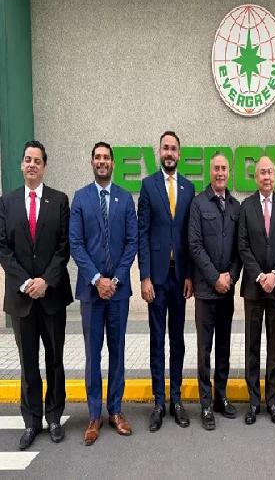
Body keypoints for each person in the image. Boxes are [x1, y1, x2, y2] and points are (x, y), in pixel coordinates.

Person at [0, 140, 72, 450]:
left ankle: (54, 417)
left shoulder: (59, 200)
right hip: (21, 300)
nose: (32, 165)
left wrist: (45, 281)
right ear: (22, 165)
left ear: (44, 166)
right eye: (27, 160)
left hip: (52, 297)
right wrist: (25, 282)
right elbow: (3, 248)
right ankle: (32, 422)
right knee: (28, 363)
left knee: (55, 360)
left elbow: (64, 247)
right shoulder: (7, 203)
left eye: (37, 161)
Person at [69, 142, 138, 445]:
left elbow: (132, 242)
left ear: (113, 163)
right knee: (92, 355)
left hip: (118, 293)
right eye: (97, 157)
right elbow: (75, 243)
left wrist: (116, 280)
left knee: (118, 352)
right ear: (91, 162)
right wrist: (98, 280)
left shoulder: (125, 198)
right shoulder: (81, 198)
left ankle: (116, 411)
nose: (102, 161)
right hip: (91, 292)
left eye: (106, 157)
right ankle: (94, 415)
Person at [138, 130, 195, 431]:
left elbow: (191, 235)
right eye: (165, 148)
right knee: (157, 339)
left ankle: (176, 400)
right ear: (159, 152)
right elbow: (142, 233)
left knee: (178, 341)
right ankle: (159, 402)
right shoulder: (148, 186)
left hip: (180, 276)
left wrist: (190, 275)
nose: (169, 153)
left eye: (173, 148)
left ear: (179, 154)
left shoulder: (188, 187)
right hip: (157, 279)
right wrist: (145, 276)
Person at [188, 153, 242, 431]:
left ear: (229, 172)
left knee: (224, 347)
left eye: (224, 168)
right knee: (204, 349)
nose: (220, 173)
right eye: (216, 168)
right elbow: (195, 245)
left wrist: (231, 276)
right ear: (210, 172)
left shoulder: (235, 206)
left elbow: (240, 249)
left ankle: (221, 397)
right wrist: (214, 278)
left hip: (227, 291)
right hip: (206, 292)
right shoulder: (198, 203)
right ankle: (206, 404)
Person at [238, 156, 275, 425]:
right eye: (262, 172)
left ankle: (273, 401)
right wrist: (260, 276)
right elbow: (243, 246)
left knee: (274, 348)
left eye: (270, 172)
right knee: (252, 346)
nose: (267, 177)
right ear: (255, 177)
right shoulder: (246, 207)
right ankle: (253, 402)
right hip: (254, 289)